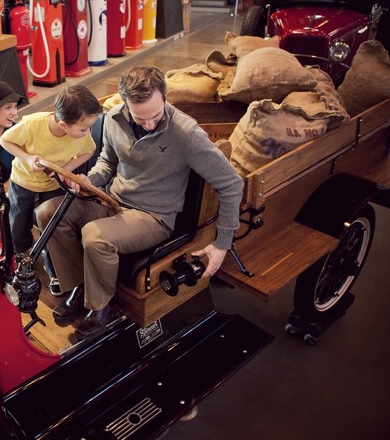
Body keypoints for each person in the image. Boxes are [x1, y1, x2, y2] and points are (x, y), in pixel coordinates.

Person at [36, 65, 243, 342]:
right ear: (125, 104)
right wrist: (89, 181)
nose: (148, 124)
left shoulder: (187, 134)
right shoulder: (112, 119)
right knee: (48, 212)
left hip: (154, 217)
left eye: (155, 116)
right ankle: (80, 286)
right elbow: (107, 163)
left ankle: (102, 308)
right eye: (139, 118)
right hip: (114, 201)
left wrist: (223, 243)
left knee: (95, 236)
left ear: (165, 98)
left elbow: (232, 183)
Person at [0, 85, 103, 293]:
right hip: (23, 182)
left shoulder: (83, 136)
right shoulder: (33, 124)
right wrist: (27, 158)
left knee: (51, 226)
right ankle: (21, 262)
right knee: (18, 225)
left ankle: (54, 271)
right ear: (63, 125)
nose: (87, 133)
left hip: (53, 184)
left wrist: (65, 169)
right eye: (83, 129)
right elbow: (5, 140)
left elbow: (89, 151)